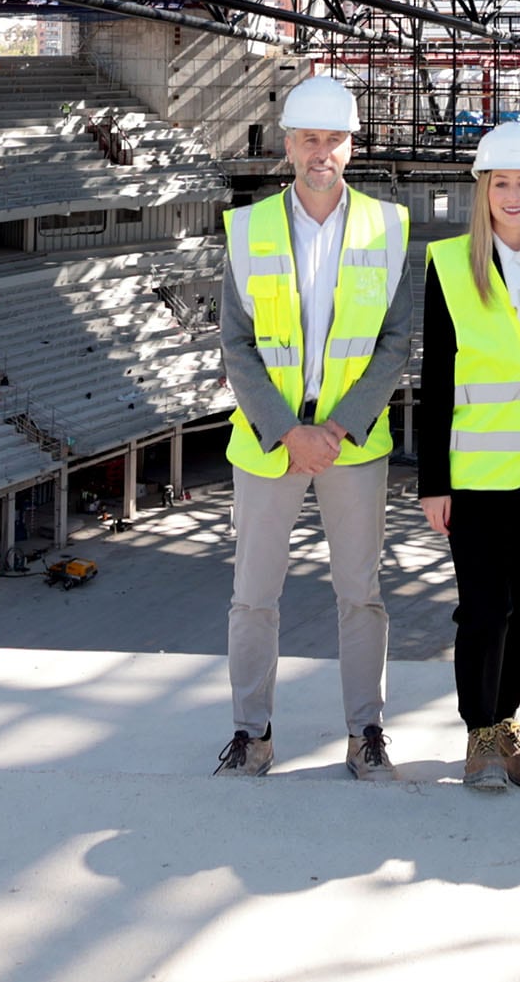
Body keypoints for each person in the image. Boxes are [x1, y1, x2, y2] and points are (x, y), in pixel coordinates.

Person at [213, 72, 417, 781]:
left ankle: (365, 732)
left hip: (352, 444)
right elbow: (235, 342)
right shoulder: (248, 226)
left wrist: (336, 426)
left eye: (333, 138)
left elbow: (395, 340)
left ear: (351, 146)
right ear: (288, 144)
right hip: (269, 442)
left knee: (360, 593)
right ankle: (252, 733)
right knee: (253, 597)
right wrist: (286, 429)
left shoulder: (389, 227)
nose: (320, 151)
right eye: (308, 139)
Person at [415, 121, 520, 792]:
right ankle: (477, 731)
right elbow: (434, 378)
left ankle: (509, 720)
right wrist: (433, 480)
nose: (513, 195)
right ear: (482, 190)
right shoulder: (451, 263)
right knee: (482, 606)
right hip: (476, 470)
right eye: (501, 183)